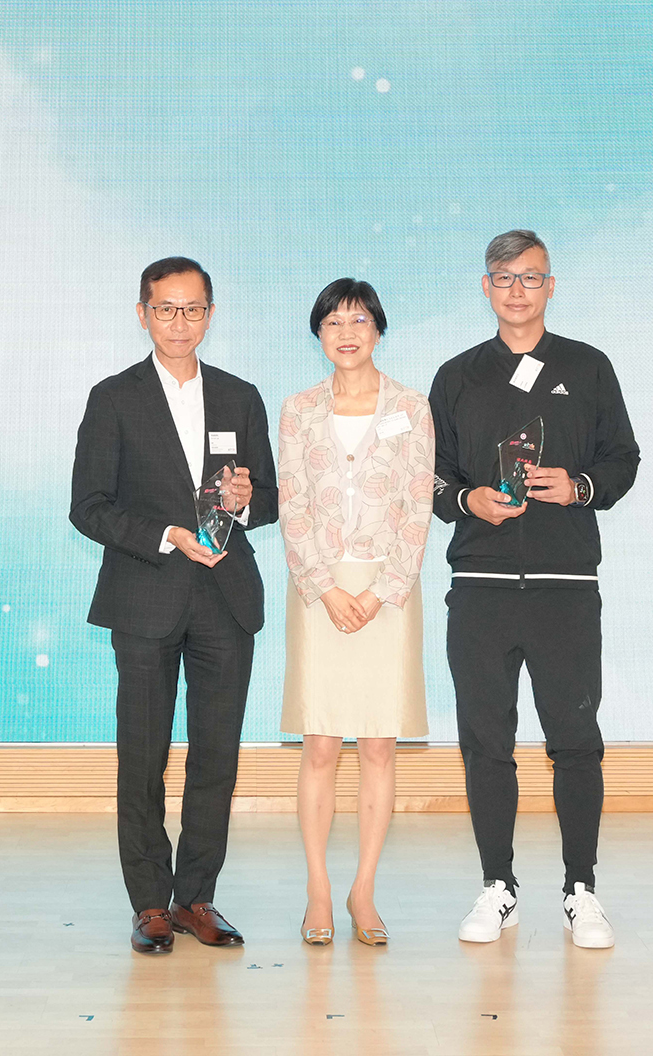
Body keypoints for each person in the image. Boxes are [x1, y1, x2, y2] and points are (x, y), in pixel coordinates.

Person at [428, 229, 639, 949]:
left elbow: (623, 459)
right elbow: (432, 476)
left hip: (565, 585)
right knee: (485, 742)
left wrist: (580, 487)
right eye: (504, 277)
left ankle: (581, 890)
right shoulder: (457, 375)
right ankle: (499, 887)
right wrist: (469, 501)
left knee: (575, 740)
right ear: (485, 287)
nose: (517, 290)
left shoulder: (589, 366)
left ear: (551, 285)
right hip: (479, 587)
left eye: (531, 277)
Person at [69, 256, 277, 954]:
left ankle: (196, 898)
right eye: (166, 308)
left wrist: (245, 502)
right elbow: (88, 507)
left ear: (210, 315)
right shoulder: (113, 398)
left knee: (217, 755)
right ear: (143, 314)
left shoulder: (240, 396)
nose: (180, 322)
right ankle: (149, 904)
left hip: (225, 598)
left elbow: (269, 498)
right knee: (143, 755)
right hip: (144, 595)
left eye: (193, 309)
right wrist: (165, 535)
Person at [275, 279, 435, 948]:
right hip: (319, 592)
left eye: (360, 320)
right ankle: (318, 889)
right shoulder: (298, 410)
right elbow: (291, 503)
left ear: (379, 330)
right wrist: (324, 586)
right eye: (334, 322)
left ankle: (362, 890)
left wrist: (378, 592)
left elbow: (418, 506)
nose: (347, 333)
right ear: (318, 333)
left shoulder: (411, 407)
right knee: (319, 744)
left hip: (386, 593)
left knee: (377, 744)